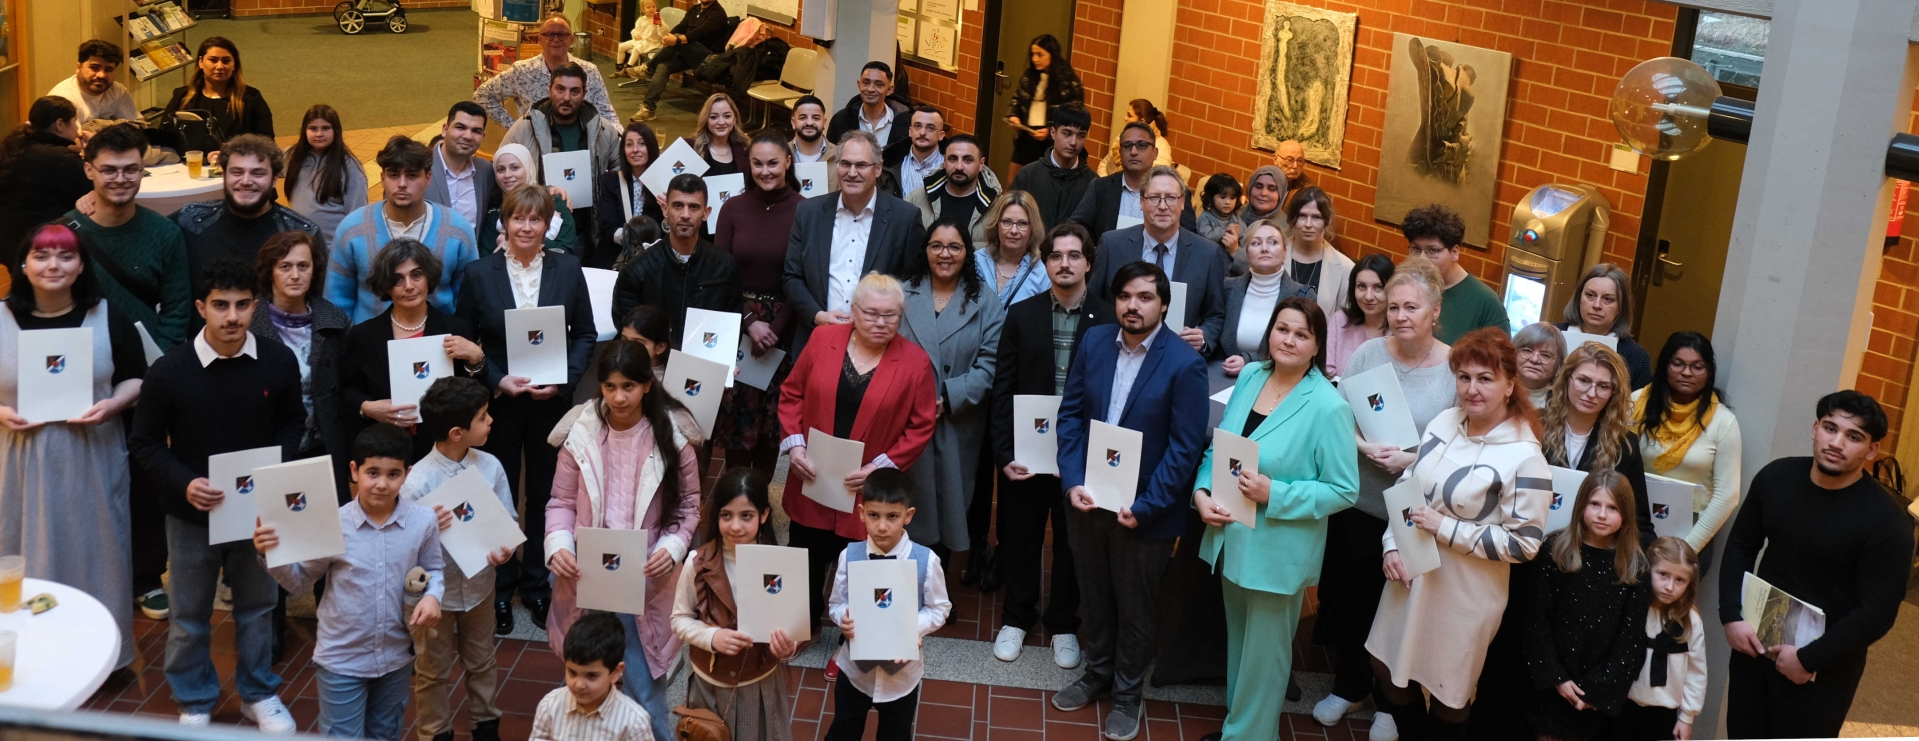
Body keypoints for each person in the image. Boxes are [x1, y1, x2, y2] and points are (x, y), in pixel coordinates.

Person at [128, 258, 302, 731]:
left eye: (242, 305)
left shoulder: (278, 361)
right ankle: (194, 699)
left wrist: (277, 467)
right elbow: (144, 442)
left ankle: (258, 694)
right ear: (201, 307)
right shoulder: (169, 371)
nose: (232, 316)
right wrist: (184, 482)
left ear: (255, 306)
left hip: (257, 513)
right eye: (221, 305)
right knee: (189, 614)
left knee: (259, 608)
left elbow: (292, 421)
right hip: (190, 514)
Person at [1366, 327, 1550, 741]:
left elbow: (1525, 543)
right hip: (1412, 570)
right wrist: (1392, 545)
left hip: (1466, 591)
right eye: (1464, 377)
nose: (1472, 389)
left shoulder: (1525, 456)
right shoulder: (1445, 421)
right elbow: (1408, 485)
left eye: (1485, 378)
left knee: (1448, 692)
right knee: (1386, 668)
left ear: (1510, 385)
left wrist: (1445, 528)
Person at [1051, 261, 1208, 739]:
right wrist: (1072, 481)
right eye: (1124, 297)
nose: (1132, 306)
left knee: (1136, 606)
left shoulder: (1184, 364)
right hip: (1088, 500)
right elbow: (1070, 415)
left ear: (1164, 305)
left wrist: (1147, 507)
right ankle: (1098, 672)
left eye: (1144, 297)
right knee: (1094, 594)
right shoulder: (1095, 342)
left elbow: (1184, 449)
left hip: (1144, 512)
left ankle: (1126, 693)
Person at [1195, 295, 1358, 741]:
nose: (1288, 340)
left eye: (1302, 334)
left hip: (1277, 550)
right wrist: (1201, 492)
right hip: (1231, 535)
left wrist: (1276, 494)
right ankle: (1240, 729)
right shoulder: (1251, 376)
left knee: (1264, 661)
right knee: (1241, 648)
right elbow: (1222, 445)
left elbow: (1344, 489)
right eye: (1282, 329)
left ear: (1317, 345)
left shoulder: (1328, 406)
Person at [1311, 257, 1453, 739]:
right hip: (1360, 501)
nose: (1400, 316)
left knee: (1397, 607)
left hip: (1414, 512)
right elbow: (1338, 414)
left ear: (1435, 310)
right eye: (1394, 307)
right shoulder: (1369, 353)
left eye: (1412, 307)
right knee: (1350, 601)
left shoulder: (1453, 368)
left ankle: (1392, 702)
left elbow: (1459, 444)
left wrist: (1412, 460)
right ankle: (1350, 686)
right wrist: (1363, 446)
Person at [1719, 391, 1913, 739]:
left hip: (1825, 666)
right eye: (1830, 428)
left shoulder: (1887, 521)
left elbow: (1878, 612)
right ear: (1815, 429)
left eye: (1854, 436)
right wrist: (1731, 615)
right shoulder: (1775, 478)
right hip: (1756, 646)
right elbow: (1741, 546)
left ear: (1872, 450)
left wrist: (1809, 659)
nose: (1836, 443)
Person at [0, 224, 146, 670]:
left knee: (96, 553)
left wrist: (114, 404)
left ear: (81, 266)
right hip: (17, 461)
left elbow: (137, 376)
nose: (53, 266)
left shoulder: (108, 315)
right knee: (18, 553)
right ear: (23, 265)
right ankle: (26, 657)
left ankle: (99, 658)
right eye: (41, 256)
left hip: (92, 455)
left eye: (65, 256)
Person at [458, 183, 598, 634]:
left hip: (549, 403)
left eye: (535, 219)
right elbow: (466, 339)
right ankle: (501, 588)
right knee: (498, 494)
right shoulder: (479, 273)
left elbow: (585, 334)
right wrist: (495, 378)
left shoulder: (568, 268)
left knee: (544, 494)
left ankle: (537, 585)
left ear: (547, 226)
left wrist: (564, 380)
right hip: (498, 404)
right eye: (518, 218)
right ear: (504, 223)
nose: (525, 227)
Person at [544, 340, 700, 741]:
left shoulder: (673, 437)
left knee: (644, 691)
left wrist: (671, 549)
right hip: (587, 573)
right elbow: (561, 501)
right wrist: (558, 545)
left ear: (647, 385)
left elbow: (687, 509)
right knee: (584, 681)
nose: (618, 397)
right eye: (610, 387)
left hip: (644, 577)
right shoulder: (581, 432)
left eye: (628, 386)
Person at [255, 424, 444, 740]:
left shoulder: (423, 521)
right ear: (355, 471)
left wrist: (433, 595)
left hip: (396, 657)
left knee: (386, 733)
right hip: (341, 660)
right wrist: (269, 554)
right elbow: (299, 581)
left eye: (393, 474)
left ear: (407, 474)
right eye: (373, 473)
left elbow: (434, 568)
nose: (382, 484)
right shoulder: (333, 524)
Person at [778, 273, 937, 631]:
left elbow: (921, 424)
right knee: (806, 551)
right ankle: (804, 625)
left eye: (890, 315)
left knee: (863, 561)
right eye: (871, 313)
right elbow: (792, 394)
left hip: (867, 484)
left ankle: (858, 637)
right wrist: (795, 445)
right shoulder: (823, 339)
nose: (881, 322)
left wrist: (881, 468)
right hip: (814, 474)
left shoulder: (915, 363)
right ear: (853, 310)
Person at [989, 223, 1109, 667]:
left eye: (1074, 255)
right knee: (1020, 536)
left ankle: (1062, 624)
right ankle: (1016, 617)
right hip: (1028, 453)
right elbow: (1003, 388)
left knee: (1073, 543)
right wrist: (1004, 454)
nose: (1064, 263)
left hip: (1081, 455)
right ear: (1046, 262)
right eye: (1056, 255)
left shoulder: (1108, 319)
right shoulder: (1022, 315)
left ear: (1088, 263)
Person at [399, 377, 515, 741]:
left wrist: (505, 548)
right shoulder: (416, 483)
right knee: (432, 669)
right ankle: (435, 732)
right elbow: (399, 551)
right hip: (433, 596)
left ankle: (486, 725)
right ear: (456, 433)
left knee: (482, 661)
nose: (490, 421)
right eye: (482, 417)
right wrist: (426, 527)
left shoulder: (491, 466)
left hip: (479, 588)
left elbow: (507, 521)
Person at [669, 468, 804, 741]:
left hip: (760, 683)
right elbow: (679, 619)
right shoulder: (697, 562)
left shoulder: (783, 565)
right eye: (726, 515)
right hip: (710, 685)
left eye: (746, 516)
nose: (735, 526)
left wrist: (788, 647)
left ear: (764, 515)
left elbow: (793, 628)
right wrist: (712, 636)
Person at [898, 217, 1004, 553]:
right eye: (937, 246)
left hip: (957, 423)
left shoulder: (986, 301)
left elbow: (991, 363)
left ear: (966, 252)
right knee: (900, 511)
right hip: (904, 421)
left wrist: (948, 396)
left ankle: (937, 583)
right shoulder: (900, 294)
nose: (945, 254)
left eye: (954, 247)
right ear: (926, 250)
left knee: (946, 510)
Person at [823, 468, 953, 741]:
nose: (882, 526)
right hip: (855, 672)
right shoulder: (849, 555)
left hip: (901, 678)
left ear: (908, 515)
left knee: (895, 735)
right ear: (861, 513)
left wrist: (911, 628)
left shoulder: (927, 560)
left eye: (892, 516)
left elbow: (940, 608)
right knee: (843, 731)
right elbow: (836, 603)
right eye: (874, 515)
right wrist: (843, 617)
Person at [1521, 470, 1652, 741]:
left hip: (1597, 695)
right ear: (1581, 504)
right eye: (1595, 504)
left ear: (1626, 513)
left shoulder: (1636, 567)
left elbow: (1630, 641)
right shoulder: (1554, 551)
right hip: (1551, 686)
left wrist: (1598, 689)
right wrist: (1556, 678)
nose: (1602, 514)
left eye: (1612, 508)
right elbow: (1536, 620)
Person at [339, 238, 488, 465]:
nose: (408, 286)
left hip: (446, 449)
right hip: (386, 450)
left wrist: (477, 359)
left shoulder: (455, 329)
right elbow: (347, 390)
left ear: (429, 277)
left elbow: (477, 394)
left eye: (416, 275)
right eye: (397, 279)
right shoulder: (363, 335)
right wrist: (367, 408)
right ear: (386, 286)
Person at [781, 131, 925, 360]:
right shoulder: (809, 213)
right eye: (845, 164)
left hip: (879, 348)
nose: (851, 173)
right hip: (816, 339)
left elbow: (914, 284)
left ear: (878, 169)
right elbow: (792, 276)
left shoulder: (905, 218)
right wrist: (817, 316)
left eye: (861, 165)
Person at [713, 134, 803, 475]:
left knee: (773, 423)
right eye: (758, 164)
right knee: (736, 423)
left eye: (773, 163)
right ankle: (737, 496)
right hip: (738, 324)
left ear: (788, 162)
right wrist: (749, 322)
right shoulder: (732, 208)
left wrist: (775, 330)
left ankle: (760, 500)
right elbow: (721, 275)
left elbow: (805, 278)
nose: (765, 171)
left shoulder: (805, 210)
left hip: (785, 327)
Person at [66, 124, 193, 350]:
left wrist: (162, 359)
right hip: (81, 357)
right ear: (89, 170)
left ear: (142, 170)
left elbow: (177, 308)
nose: (120, 179)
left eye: (130, 169)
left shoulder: (165, 233)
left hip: (147, 358)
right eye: (108, 170)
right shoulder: (63, 235)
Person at [328, 136, 480, 324]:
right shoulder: (352, 228)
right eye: (393, 175)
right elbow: (336, 300)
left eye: (412, 175)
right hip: (369, 340)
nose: (402, 184)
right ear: (382, 178)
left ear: (428, 178)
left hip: (440, 339)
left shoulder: (457, 229)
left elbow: (469, 299)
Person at [1085, 165, 1227, 356]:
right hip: (1116, 352)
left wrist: (1203, 337)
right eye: (1154, 197)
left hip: (1176, 360)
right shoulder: (1112, 245)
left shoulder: (1208, 254)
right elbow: (1092, 303)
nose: (1162, 206)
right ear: (1141, 202)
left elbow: (1215, 315)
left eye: (1170, 197)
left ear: (1182, 202)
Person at [249, 231, 350, 497]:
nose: (295, 275)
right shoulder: (247, 324)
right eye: (285, 266)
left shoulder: (335, 321)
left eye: (303, 266)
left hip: (324, 449)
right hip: (268, 450)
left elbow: (347, 387)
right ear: (270, 271)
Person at [1631, 332, 1742, 557]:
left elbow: (1727, 495)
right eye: (1678, 364)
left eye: (1697, 367)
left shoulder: (1723, 422)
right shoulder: (1634, 403)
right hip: (1630, 525)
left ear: (1709, 372)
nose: (1687, 372)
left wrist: (1685, 549)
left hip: (1691, 533)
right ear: (1665, 365)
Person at [500, 62, 622, 257]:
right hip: (535, 230)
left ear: (584, 93)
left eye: (574, 91)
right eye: (560, 89)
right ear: (550, 89)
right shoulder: (524, 129)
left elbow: (620, 175)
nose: (566, 98)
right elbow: (502, 174)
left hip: (587, 230)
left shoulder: (604, 130)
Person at [172, 134, 326, 280]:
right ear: (224, 176)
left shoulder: (302, 234)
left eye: (258, 173)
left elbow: (320, 294)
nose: (246, 181)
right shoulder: (190, 221)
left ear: (274, 180)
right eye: (237, 172)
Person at [610, 173, 742, 343]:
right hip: (654, 358)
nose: (685, 214)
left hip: (704, 357)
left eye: (694, 207)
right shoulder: (637, 271)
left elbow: (732, 328)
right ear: (665, 209)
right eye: (678, 206)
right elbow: (628, 335)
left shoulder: (725, 266)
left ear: (706, 213)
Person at [1541, 342, 1654, 539]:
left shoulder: (1624, 444)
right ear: (1567, 379)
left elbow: (1639, 522)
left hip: (1593, 548)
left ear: (1614, 393)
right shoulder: (1535, 427)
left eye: (1603, 386)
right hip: (1532, 544)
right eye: (1584, 380)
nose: (1591, 393)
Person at [1622, 538, 1707, 741]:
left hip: (1663, 713)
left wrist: (1687, 717)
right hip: (1622, 705)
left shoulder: (1691, 621)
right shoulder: (1633, 608)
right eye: (1663, 575)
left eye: (1680, 580)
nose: (1669, 586)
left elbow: (1696, 673)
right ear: (1648, 570)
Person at [0, 97, 93, 282]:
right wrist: (92, 151)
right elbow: (96, 185)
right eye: (74, 121)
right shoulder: (60, 158)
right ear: (60, 124)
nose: (77, 128)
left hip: (10, 242)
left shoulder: (13, 147)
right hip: (44, 245)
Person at [475, 14, 619, 131]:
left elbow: (606, 113)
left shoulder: (590, 71)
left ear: (571, 39)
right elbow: (482, 95)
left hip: (582, 144)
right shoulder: (522, 71)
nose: (556, 39)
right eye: (549, 34)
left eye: (562, 34)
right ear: (540, 39)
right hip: (537, 148)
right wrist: (514, 129)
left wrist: (619, 139)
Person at [532, 611, 654, 741]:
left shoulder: (634, 723)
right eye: (572, 672)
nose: (579, 685)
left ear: (616, 672)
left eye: (591, 676)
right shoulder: (550, 705)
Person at [1071, 122, 1196, 242]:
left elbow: (1190, 239)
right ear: (1120, 152)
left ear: (1155, 153)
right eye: (1127, 145)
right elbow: (1076, 227)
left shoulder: (1176, 192)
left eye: (1142, 145)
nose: (1134, 152)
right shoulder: (1100, 187)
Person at [1402, 204, 1509, 344]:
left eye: (1432, 250)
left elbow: (1501, 355)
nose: (1422, 259)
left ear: (1454, 252)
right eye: (1416, 249)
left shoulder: (1485, 302)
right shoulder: (1404, 288)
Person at [1219, 219, 1311, 374]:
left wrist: (1249, 361)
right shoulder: (1227, 288)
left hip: (1277, 378)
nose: (1264, 249)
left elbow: (1301, 348)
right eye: (1256, 243)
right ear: (1247, 253)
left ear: (1284, 252)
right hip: (1224, 376)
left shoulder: (1302, 296)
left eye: (1273, 242)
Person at [162, 37, 273, 154]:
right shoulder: (182, 96)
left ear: (234, 65)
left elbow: (266, 140)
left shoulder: (251, 97)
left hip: (237, 160)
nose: (220, 66)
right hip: (191, 162)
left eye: (226, 61)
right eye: (213, 60)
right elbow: (164, 134)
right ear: (201, 62)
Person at [631, 0, 731, 123]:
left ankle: (647, 68)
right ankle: (648, 109)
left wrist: (676, 39)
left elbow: (698, 33)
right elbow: (682, 26)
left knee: (678, 39)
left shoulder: (717, 14)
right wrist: (668, 36)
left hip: (708, 58)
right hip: (688, 53)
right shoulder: (695, 9)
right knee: (662, 66)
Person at [1559, 263, 1652, 390]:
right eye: (1590, 295)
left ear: (1621, 307)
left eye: (1608, 299)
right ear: (1579, 298)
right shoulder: (1552, 336)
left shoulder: (1637, 358)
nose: (1597, 305)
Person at [285, 105, 370, 239]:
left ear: (336, 131)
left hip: (333, 246)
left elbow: (358, 215)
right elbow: (266, 166)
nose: (319, 134)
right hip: (301, 243)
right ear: (304, 131)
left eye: (325, 128)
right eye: (313, 128)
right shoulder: (294, 156)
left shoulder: (349, 166)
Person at [479, 143, 578, 256]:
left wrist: (515, 241)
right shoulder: (494, 211)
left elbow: (565, 251)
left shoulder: (553, 203)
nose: (507, 175)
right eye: (501, 169)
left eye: (515, 168)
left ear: (528, 167)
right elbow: (485, 257)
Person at [1010, 106, 1096, 231]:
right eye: (1067, 133)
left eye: (1081, 136)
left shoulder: (1093, 185)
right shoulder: (1027, 176)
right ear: (1053, 133)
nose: (1073, 142)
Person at [1005, 33, 1084, 168]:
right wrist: (1014, 115)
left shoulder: (1068, 81)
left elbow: (1073, 114)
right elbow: (1016, 100)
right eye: (1033, 54)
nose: (1035, 59)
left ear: (1052, 55)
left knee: (1043, 178)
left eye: (1040, 55)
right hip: (1026, 137)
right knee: (1015, 178)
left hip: (1052, 142)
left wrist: (1050, 130)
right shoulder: (1028, 76)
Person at [904, 133, 997, 243]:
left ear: (981, 164)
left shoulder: (997, 207)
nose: (959, 167)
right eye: (953, 159)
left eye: (967, 160)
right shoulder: (915, 200)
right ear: (944, 161)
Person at [424, 102, 499, 234]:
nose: (468, 136)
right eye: (460, 127)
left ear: (483, 136)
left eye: (476, 131)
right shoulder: (418, 167)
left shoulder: (486, 171)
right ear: (445, 130)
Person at [1279, 186, 1354, 320]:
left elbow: (1343, 323)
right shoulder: (1273, 254)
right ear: (1292, 218)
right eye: (1302, 216)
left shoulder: (1345, 268)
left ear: (1328, 220)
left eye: (1316, 217)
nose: (1308, 224)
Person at [595, 122, 665, 254]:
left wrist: (669, 216)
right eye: (629, 144)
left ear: (651, 147)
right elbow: (606, 226)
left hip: (653, 253)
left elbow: (665, 229)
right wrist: (631, 240)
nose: (635, 150)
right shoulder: (611, 181)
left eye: (642, 143)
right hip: (617, 253)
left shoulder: (663, 183)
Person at [976, 190, 1050, 309]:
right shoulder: (977, 262)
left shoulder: (1041, 273)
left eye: (1022, 223)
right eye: (1007, 222)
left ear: (1033, 228)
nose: (1014, 231)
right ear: (996, 224)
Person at [1325, 253, 1392, 378]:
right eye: (1362, 286)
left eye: (1378, 287)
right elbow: (1326, 372)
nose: (1368, 296)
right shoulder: (1340, 321)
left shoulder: (1399, 332)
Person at [824, 62, 911, 153]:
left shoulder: (905, 123)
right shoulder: (841, 120)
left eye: (878, 84)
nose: (870, 89)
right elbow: (830, 156)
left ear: (889, 90)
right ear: (859, 85)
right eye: (866, 83)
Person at [48, 40, 139, 125]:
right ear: (78, 68)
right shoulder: (63, 100)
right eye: (94, 68)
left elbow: (137, 124)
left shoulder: (118, 90)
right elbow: (73, 137)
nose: (101, 75)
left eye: (108, 70)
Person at [1219, 166, 1285, 273]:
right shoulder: (1235, 212)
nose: (1263, 193)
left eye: (1272, 188)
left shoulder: (1286, 230)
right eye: (1258, 186)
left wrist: (1236, 252)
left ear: (1281, 194)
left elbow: (1271, 271)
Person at [1098, 99, 1172, 176]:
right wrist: (1105, 181)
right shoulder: (1121, 137)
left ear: (1142, 121)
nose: (1125, 118)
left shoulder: (1161, 147)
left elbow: (1154, 179)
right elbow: (1104, 164)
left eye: (1129, 115)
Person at [685, 93, 751, 178]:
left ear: (735, 119)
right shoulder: (689, 147)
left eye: (727, 116)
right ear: (706, 120)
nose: (721, 122)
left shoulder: (745, 147)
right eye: (713, 117)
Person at [889, 105, 946, 196]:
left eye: (930, 128)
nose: (922, 133)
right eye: (918, 126)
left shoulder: (950, 168)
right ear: (910, 131)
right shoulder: (888, 163)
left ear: (941, 135)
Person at [789, 95, 841, 189]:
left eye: (816, 118)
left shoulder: (839, 155)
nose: (809, 123)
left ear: (824, 122)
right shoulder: (781, 154)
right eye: (803, 117)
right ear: (793, 122)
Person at [1515, 322, 1568, 411]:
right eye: (1527, 351)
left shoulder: (1565, 403)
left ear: (1558, 363)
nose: (1534, 359)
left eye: (1545, 355)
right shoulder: (1496, 390)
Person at [1194, 173, 1242, 245]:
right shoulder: (1205, 218)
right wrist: (1225, 232)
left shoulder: (1237, 220)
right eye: (1223, 197)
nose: (1228, 202)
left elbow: (1245, 241)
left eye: (1232, 198)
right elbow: (1206, 238)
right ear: (1211, 197)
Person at [617, 0, 666, 71]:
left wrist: (660, 24)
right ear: (643, 9)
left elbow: (664, 32)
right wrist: (635, 35)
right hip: (640, 40)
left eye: (653, 7)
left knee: (636, 49)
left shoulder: (658, 20)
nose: (651, 9)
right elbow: (636, 30)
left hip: (651, 42)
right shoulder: (641, 19)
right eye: (648, 7)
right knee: (621, 47)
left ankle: (628, 68)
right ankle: (619, 66)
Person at [1272, 139, 1315, 210]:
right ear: (1275, 159)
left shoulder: (1308, 190)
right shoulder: (1263, 177)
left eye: (1300, 160)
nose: (1295, 166)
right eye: (1289, 160)